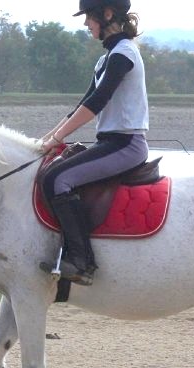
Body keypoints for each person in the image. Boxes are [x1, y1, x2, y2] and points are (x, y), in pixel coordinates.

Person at [40, 0, 149, 286]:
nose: (86, 23)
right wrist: (48, 139)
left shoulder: (124, 54)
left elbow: (97, 103)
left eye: (89, 16)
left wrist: (57, 138)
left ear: (107, 14)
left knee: (57, 180)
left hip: (126, 145)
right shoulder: (105, 59)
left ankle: (81, 261)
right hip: (110, 143)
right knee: (52, 171)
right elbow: (83, 104)